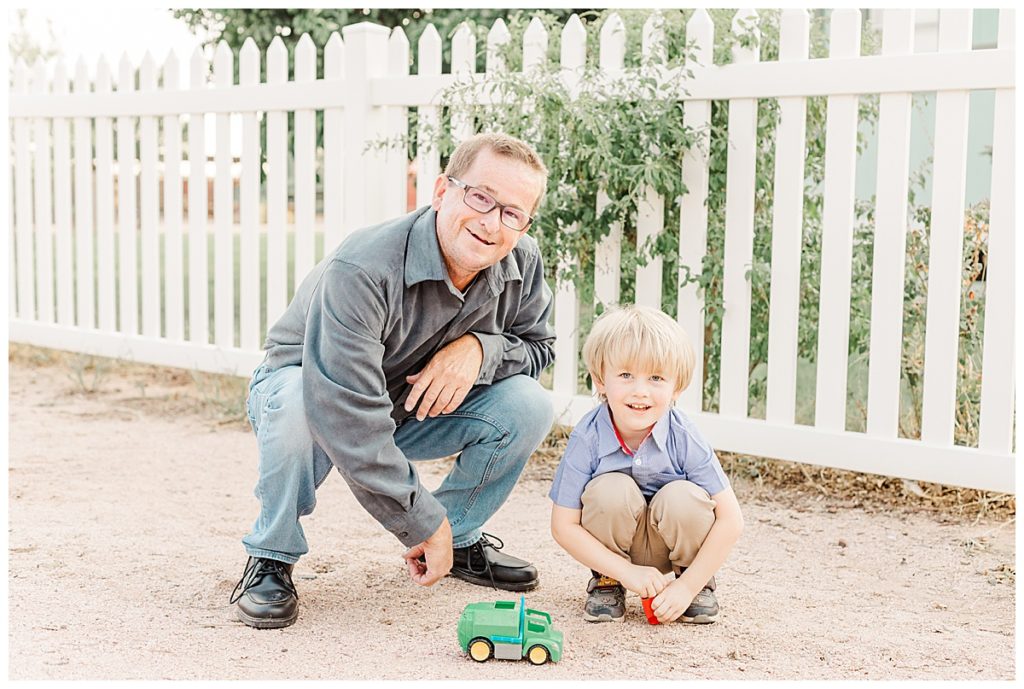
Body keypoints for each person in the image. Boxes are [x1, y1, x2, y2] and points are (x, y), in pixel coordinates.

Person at [230, 132, 557, 629]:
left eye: (512, 213)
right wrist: (418, 519)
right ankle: (271, 556)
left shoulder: (522, 260)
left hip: (408, 403)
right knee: (299, 404)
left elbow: (539, 347)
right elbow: (346, 412)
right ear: (441, 191)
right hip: (314, 389)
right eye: (481, 198)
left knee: (527, 404)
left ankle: (458, 535)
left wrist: (480, 350)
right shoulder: (362, 267)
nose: (492, 223)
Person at [549, 305, 743, 624]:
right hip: (615, 552)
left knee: (683, 496)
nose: (640, 391)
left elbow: (732, 521)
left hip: (674, 545)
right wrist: (624, 571)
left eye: (656, 377)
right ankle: (607, 582)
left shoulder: (684, 436)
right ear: (600, 380)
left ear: (676, 388)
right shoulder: (588, 437)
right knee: (609, 490)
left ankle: (694, 586)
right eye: (625, 375)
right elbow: (563, 525)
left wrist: (686, 586)